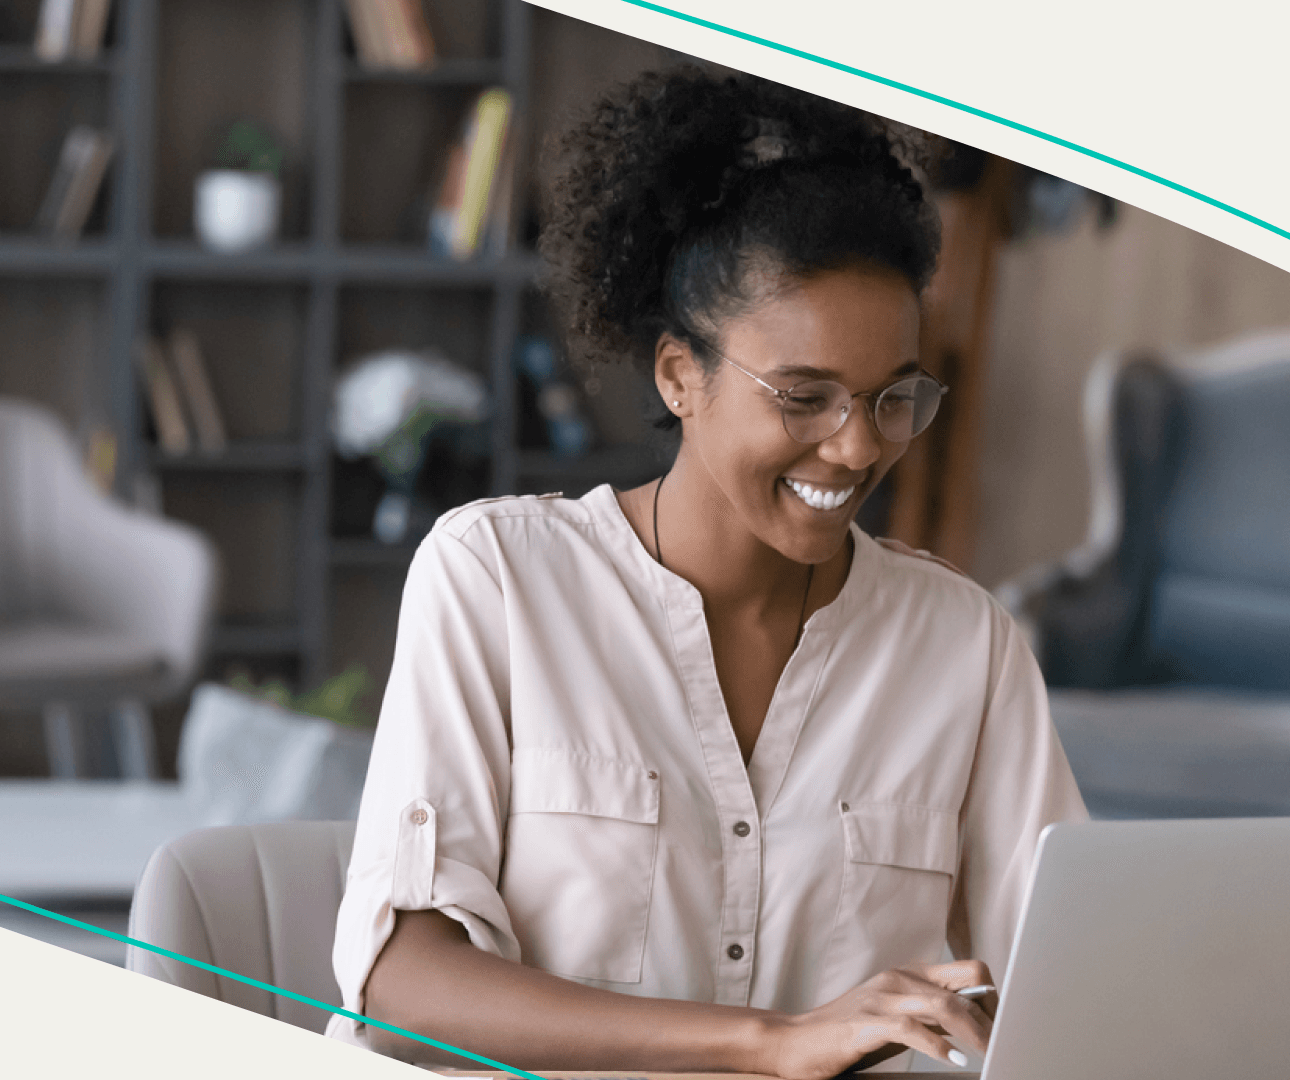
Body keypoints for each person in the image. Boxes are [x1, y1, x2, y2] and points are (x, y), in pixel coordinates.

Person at [326, 65, 1087, 1078]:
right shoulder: (497, 579)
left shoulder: (963, 644)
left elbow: (1066, 980)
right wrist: (774, 1044)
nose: (858, 449)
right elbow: (399, 984)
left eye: (893, 398)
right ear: (680, 375)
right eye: (805, 396)